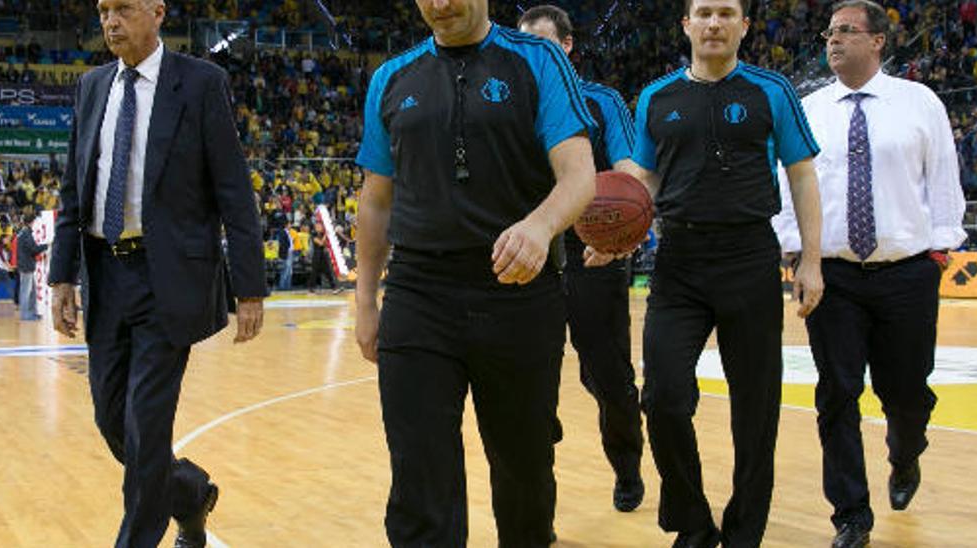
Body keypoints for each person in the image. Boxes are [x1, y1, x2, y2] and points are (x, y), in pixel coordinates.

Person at [353, 0, 598, 545]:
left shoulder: (538, 61)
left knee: (524, 470)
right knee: (418, 474)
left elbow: (579, 175)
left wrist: (539, 228)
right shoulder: (392, 78)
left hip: (517, 293)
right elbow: (376, 202)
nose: (439, 5)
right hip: (418, 293)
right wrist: (365, 300)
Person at [587, 0, 826, 545]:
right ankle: (692, 524)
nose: (714, 23)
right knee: (663, 398)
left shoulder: (772, 90)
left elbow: (803, 174)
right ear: (686, 25)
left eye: (726, 13)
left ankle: (744, 531)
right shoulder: (655, 96)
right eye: (704, 12)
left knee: (755, 411)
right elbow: (643, 181)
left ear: (743, 25)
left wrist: (809, 259)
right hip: (680, 262)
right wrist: (615, 235)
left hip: (750, 257)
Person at [47, 0, 268, 546]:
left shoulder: (200, 83)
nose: (111, 21)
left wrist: (249, 286)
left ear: (157, 12)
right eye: (103, 10)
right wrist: (62, 275)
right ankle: (190, 494)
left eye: (123, 8)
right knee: (111, 419)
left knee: (146, 426)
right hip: (104, 272)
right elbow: (74, 187)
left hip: (167, 278)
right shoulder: (93, 85)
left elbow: (233, 189)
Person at [773, 2, 966, 546]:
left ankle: (905, 457)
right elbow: (786, 185)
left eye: (847, 31)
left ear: (878, 40)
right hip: (832, 275)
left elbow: (944, 177)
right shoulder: (808, 109)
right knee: (837, 393)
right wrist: (795, 254)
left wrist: (941, 246)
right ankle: (851, 514)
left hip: (907, 273)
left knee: (906, 394)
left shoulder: (919, 102)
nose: (833, 41)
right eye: (829, 33)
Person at [518, 4, 646, 513]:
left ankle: (628, 465)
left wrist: (617, 237)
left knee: (608, 377)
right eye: (526, 48)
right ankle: (535, 505)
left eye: (545, 46)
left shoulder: (601, 101)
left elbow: (630, 171)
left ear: (567, 47)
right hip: (526, 253)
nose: (534, 58)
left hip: (592, 248)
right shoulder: (508, 106)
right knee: (525, 381)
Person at [15, 213, 48, 321]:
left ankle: (32, 312)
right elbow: (33, 249)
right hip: (26, 266)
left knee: (32, 291)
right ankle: (25, 315)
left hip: (26, 265)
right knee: (25, 291)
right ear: (31, 222)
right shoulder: (26, 234)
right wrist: (46, 245)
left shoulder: (23, 233)